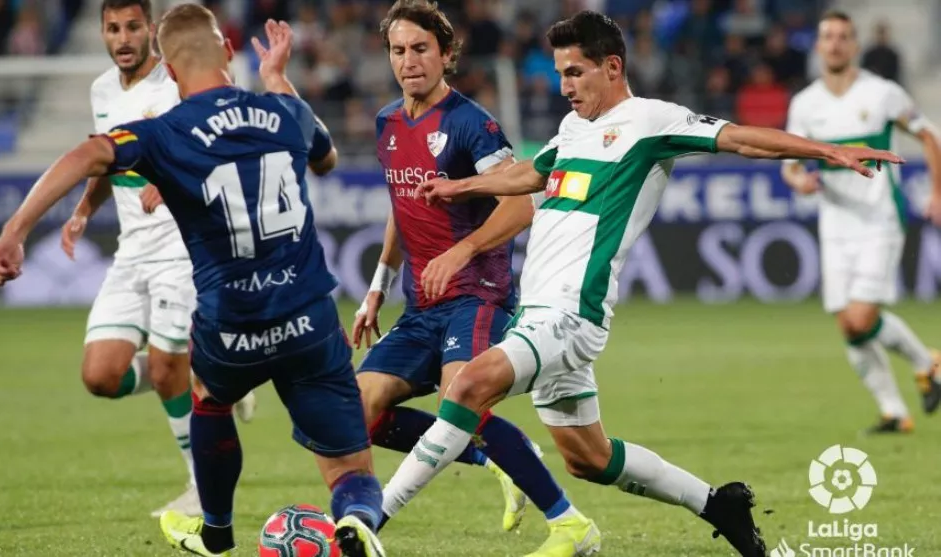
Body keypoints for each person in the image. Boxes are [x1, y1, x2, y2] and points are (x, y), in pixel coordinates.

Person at [380, 11, 903, 557]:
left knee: (467, 386)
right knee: (588, 458)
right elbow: (533, 173)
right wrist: (462, 186)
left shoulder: (650, 121)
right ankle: (717, 503)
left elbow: (742, 141)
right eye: (560, 74)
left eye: (575, 73)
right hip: (539, 313)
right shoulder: (573, 128)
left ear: (612, 67)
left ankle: (371, 519)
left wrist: (826, 151)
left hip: (571, 314)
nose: (564, 87)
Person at [0, 8, 385, 557]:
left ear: (169, 72)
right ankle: (356, 520)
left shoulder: (165, 131)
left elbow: (88, 155)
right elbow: (327, 158)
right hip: (308, 318)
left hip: (233, 327)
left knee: (208, 396)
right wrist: (276, 77)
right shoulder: (284, 109)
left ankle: (216, 530)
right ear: (228, 51)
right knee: (349, 469)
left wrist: (15, 231)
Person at [353, 0, 589, 537]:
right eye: (398, 50)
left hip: (477, 296)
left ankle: (567, 521)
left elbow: (521, 205)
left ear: (446, 54)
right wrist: (377, 288)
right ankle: (498, 454)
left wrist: (461, 251)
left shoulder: (471, 124)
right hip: (421, 305)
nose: (409, 60)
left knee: (458, 403)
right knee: (357, 410)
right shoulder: (387, 122)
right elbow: (401, 207)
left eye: (420, 48)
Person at [60, 0, 255, 518]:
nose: (123, 38)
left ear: (150, 29)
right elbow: (107, 157)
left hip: (180, 247)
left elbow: (221, 145)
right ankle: (213, 379)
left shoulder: (175, 83)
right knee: (101, 376)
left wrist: (171, 183)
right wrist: (83, 210)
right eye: (113, 28)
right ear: (103, 33)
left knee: (168, 369)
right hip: (132, 252)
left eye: (132, 27)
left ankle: (200, 487)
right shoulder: (102, 91)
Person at [782, 10, 941, 434]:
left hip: (878, 218)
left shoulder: (883, 93)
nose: (835, 44)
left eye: (843, 37)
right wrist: (799, 182)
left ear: (854, 46)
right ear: (818, 46)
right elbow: (789, 165)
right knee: (849, 327)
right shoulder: (805, 104)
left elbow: (928, 134)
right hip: (834, 224)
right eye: (828, 37)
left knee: (861, 317)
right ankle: (895, 411)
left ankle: (928, 363)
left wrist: (938, 193)